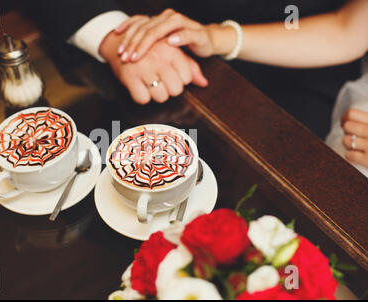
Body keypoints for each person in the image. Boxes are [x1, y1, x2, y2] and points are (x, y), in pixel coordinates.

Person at [111, 0, 368, 175]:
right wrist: (214, 37)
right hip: (196, 39)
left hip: (313, 76)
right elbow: (347, 30)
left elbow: (346, 29)